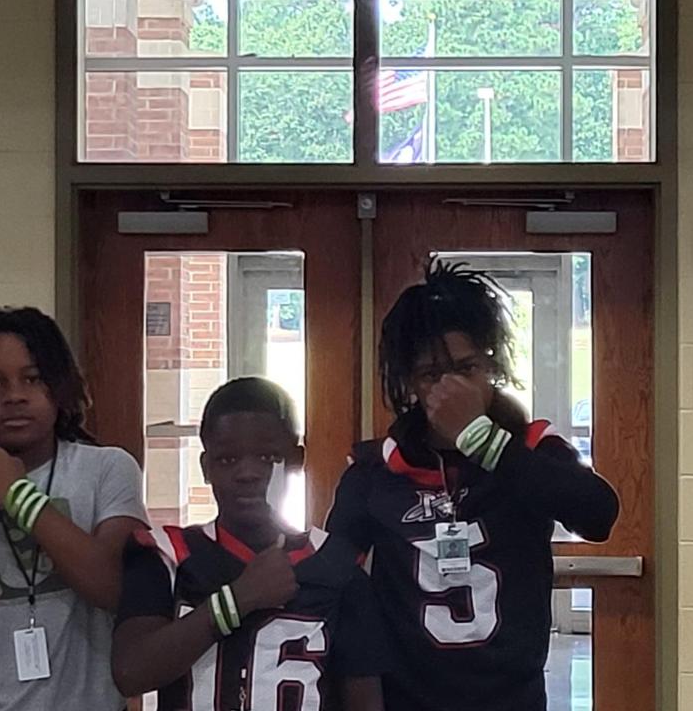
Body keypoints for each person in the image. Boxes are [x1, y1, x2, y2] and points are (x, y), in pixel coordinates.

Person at [324, 263, 620, 711]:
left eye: (467, 368)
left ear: (491, 365)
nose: (451, 389)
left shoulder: (532, 450)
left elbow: (599, 515)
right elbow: (333, 585)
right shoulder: (375, 470)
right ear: (409, 383)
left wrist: (481, 439)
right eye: (431, 375)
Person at [0, 307, 148, 711]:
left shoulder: (108, 469)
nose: (14, 395)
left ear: (59, 386)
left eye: (32, 378)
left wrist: (17, 496)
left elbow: (114, 588)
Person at [113, 376, 388, 711]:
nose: (248, 473)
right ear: (206, 467)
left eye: (268, 457)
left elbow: (364, 699)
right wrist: (238, 599)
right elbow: (130, 673)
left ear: (295, 461)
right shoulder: (167, 555)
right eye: (227, 459)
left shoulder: (336, 564)